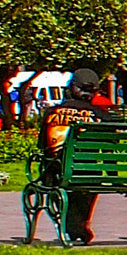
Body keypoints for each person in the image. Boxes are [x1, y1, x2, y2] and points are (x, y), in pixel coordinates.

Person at [39, 69, 110, 243]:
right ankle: (80, 225)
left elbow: (42, 146)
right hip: (90, 172)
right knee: (88, 180)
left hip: (58, 171)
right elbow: (109, 148)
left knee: (60, 177)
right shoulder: (101, 116)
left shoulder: (52, 113)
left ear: (71, 88)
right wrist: (113, 174)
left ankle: (74, 226)